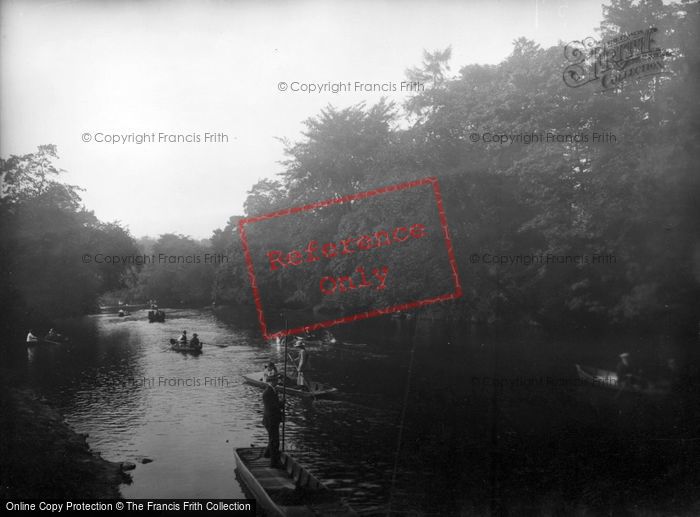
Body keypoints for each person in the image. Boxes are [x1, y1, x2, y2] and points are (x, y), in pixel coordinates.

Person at [262, 380, 284, 468]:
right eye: (275, 380)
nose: (277, 382)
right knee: (274, 440)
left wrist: (281, 404)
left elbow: (275, 404)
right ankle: (273, 463)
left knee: (273, 438)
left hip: (274, 419)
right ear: (270, 382)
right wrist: (281, 403)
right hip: (270, 420)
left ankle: (267, 453)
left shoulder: (274, 390)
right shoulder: (267, 393)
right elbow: (272, 406)